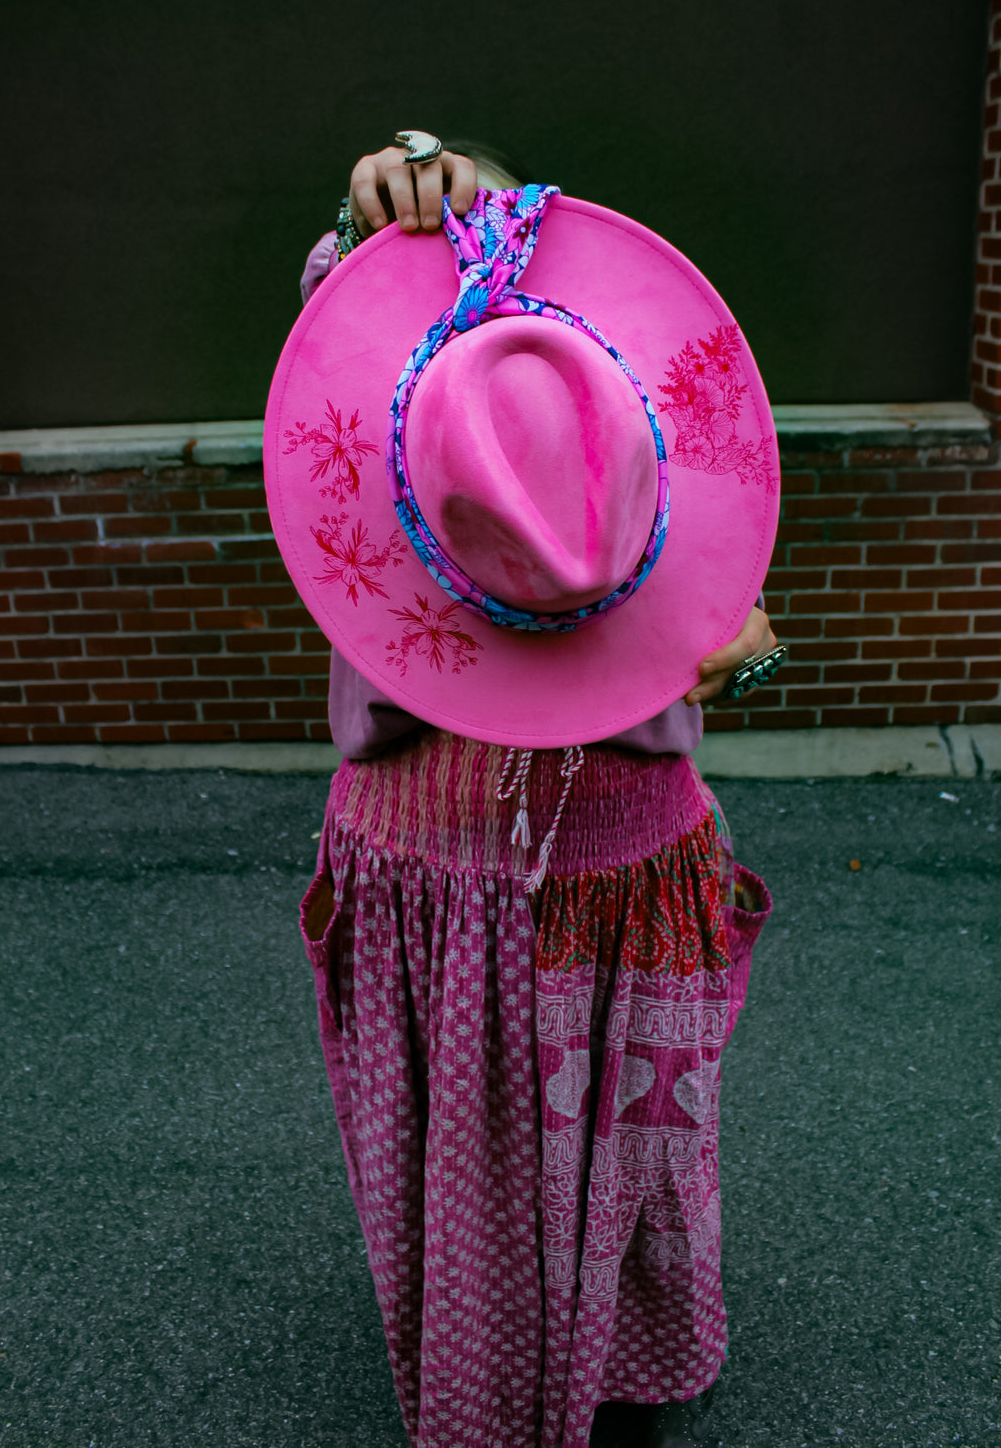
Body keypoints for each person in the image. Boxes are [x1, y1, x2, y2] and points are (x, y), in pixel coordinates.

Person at [273, 136, 783, 1448]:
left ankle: (508, 1366)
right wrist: (394, 174)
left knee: (487, 1157)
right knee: (611, 1149)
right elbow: (348, 264)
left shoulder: (525, 412)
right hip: (531, 854)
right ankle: (583, 1362)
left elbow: (354, 304)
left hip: (512, 853)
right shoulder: (600, 382)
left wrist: (731, 635)